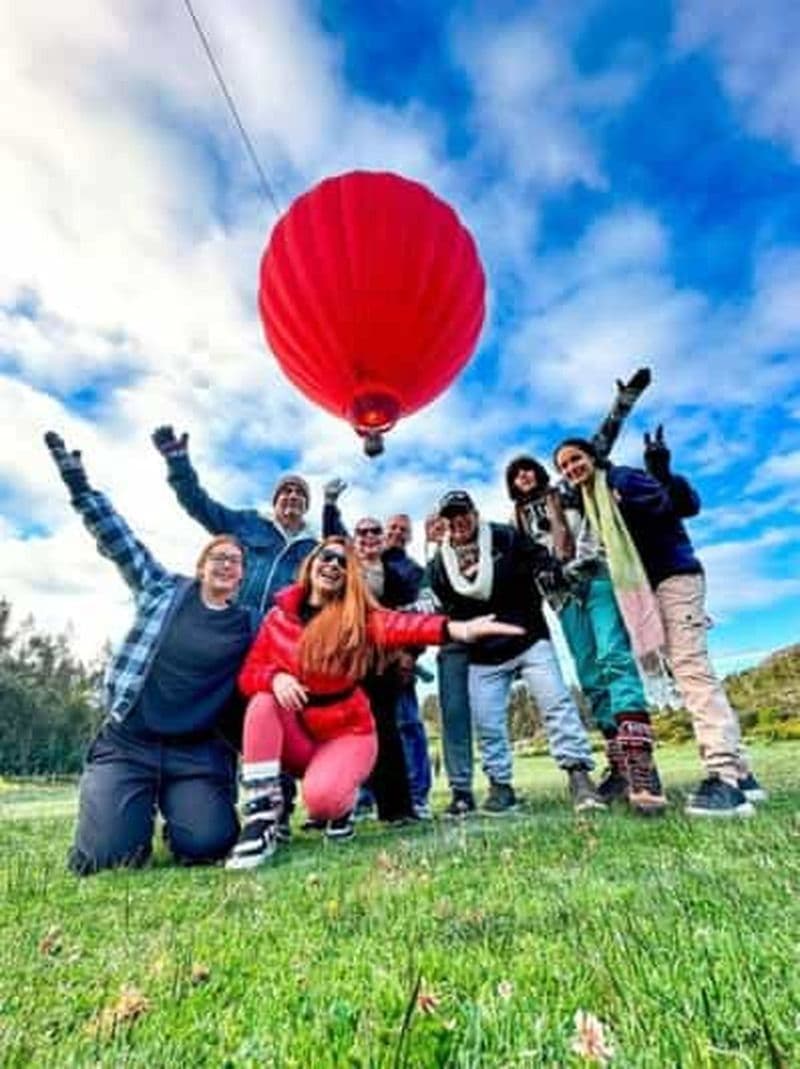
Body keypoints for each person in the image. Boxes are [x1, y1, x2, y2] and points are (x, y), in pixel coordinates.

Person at [226, 537, 522, 869]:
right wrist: (275, 678)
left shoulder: (358, 620)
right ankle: (263, 817)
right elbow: (250, 674)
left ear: (349, 576)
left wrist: (458, 629)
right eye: (327, 557)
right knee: (262, 702)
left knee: (322, 802)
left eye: (343, 563)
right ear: (310, 564)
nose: (333, 565)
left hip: (345, 733)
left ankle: (341, 805)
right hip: (299, 734)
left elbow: (404, 624)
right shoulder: (277, 618)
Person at [44, 432, 260, 875]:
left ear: (241, 575)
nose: (225, 563)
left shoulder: (249, 624)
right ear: (202, 566)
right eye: (217, 556)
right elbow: (120, 541)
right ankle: (126, 808)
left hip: (197, 751)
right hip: (130, 742)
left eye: (234, 559)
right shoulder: (164, 591)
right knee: (107, 859)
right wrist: (80, 487)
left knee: (209, 844)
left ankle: (182, 813)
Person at [554, 431, 764, 817]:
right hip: (653, 585)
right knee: (689, 672)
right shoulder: (593, 502)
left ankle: (725, 780)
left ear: (592, 457)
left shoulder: (620, 480)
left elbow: (680, 505)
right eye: (565, 466)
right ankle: (743, 773)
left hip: (674, 575)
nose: (571, 468)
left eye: (575, 459)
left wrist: (661, 474)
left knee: (691, 671)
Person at [504, 369, 666, 813]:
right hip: (560, 599)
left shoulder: (567, 493)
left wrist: (623, 404)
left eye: (527, 471)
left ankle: (642, 767)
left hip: (593, 578)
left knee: (615, 657)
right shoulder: (515, 527)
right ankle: (618, 764)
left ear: (541, 473)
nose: (523, 478)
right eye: (514, 477)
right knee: (590, 675)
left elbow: (596, 448)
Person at [152, 425, 317, 838]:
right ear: (275, 501)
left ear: (306, 506)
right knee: (220, 721)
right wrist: (178, 464)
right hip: (231, 639)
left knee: (270, 719)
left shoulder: (311, 550)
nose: (292, 498)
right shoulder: (247, 526)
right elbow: (199, 505)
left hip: (279, 648)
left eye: (300, 494)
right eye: (286, 492)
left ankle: (275, 811)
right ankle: (211, 806)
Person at [428, 491, 605, 814]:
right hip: (483, 653)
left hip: (527, 636)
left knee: (556, 702)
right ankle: (501, 786)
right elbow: (443, 607)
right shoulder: (440, 563)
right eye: (451, 517)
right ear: (444, 522)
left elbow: (538, 555)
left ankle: (579, 775)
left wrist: (549, 569)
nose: (458, 521)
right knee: (488, 722)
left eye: (463, 513)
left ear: (475, 512)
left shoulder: (504, 536)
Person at [322, 482, 431, 821]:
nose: (369, 537)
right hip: (347, 662)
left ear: (384, 539)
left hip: (384, 663)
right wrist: (329, 505)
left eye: (375, 532)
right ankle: (341, 804)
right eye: (362, 532)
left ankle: (398, 808)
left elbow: (413, 617)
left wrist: (410, 653)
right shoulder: (343, 569)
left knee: (390, 729)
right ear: (353, 538)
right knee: (345, 731)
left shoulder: (398, 574)